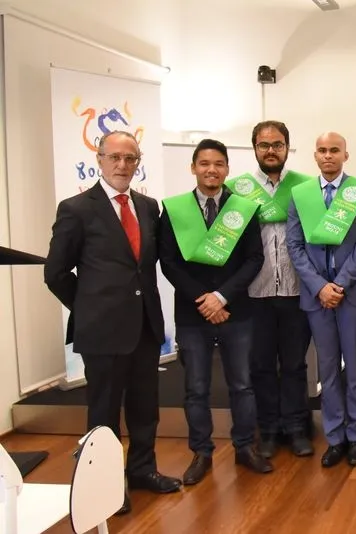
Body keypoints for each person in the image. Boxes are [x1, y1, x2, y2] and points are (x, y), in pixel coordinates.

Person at [44, 131, 181, 515]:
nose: (123, 165)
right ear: (100, 159)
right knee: (103, 411)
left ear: (138, 163)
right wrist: (89, 308)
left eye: (131, 158)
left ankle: (142, 470)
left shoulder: (149, 206)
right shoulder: (76, 208)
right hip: (102, 330)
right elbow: (55, 272)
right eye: (115, 158)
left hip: (145, 327)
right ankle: (104, 485)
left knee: (145, 407)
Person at [158, 139, 271, 485]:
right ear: (193, 168)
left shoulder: (243, 209)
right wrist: (204, 300)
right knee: (195, 387)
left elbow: (255, 258)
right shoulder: (175, 210)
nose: (212, 170)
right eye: (204, 163)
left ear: (227, 169)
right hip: (193, 315)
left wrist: (221, 297)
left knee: (242, 385)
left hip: (237, 310)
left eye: (219, 164)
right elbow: (169, 262)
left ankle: (243, 447)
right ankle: (201, 452)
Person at [286, 132, 356, 468]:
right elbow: (294, 246)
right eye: (323, 151)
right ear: (315, 156)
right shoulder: (301, 195)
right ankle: (335, 437)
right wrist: (319, 287)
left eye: (335, 151)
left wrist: (338, 284)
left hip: (352, 293)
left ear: (346, 154)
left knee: (355, 367)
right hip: (318, 297)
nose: (328, 156)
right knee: (327, 370)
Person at [225, 121, 315, 458]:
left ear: (287, 148)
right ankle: (268, 428)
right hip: (254, 294)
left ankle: (295, 428)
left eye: (278, 144)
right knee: (260, 366)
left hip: (296, 291)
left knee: (294, 365)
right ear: (254, 149)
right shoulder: (236, 189)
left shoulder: (305, 187)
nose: (271, 151)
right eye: (264, 145)